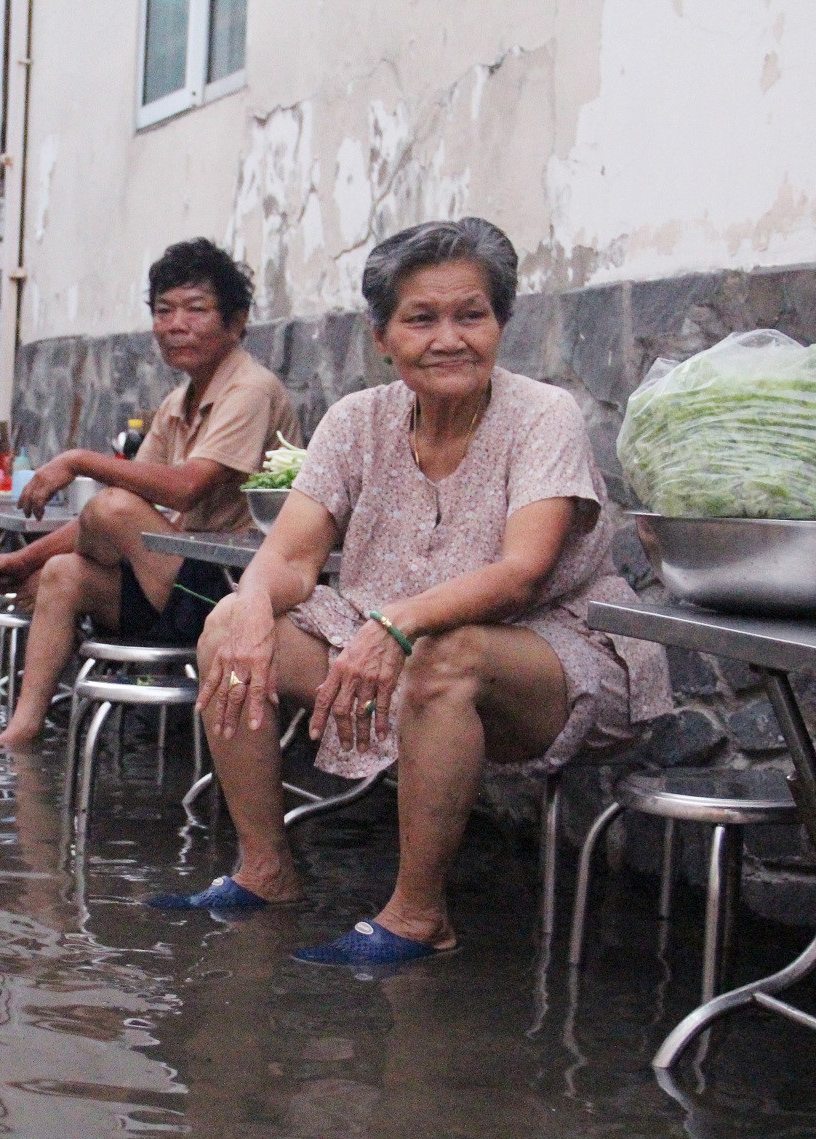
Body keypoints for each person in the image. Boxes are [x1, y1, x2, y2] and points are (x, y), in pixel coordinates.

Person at [156, 218, 672, 965]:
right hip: (386, 638)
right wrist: (251, 607)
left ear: (499, 323)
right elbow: (291, 557)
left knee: (445, 654)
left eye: (472, 315)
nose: (449, 338)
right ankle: (264, 870)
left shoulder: (543, 415)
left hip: (550, 656)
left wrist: (396, 625)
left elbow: (522, 572)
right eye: (421, 318)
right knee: (229, 623)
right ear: (382, 336)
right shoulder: (356, 421)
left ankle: (419, 916)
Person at [0, 239, 298, 747]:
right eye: (164, 311)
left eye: (196, 310)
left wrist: (78, 460)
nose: (175, 324)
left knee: (112, 504)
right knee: (62, 571)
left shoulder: (249, 390)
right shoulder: (179, 400)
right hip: (176, 584)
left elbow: (186, 489)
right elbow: (118, 513)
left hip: (229, 590)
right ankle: (23, 728)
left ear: (236, 323)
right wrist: (29, 559)